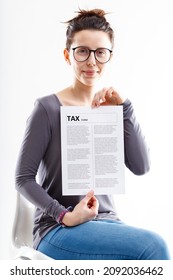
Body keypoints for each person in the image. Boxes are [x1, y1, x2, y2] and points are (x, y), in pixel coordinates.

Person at [15, 8, 170, 260]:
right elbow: (23, 178)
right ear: (68, 55)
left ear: (110, 56)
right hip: (57, 228)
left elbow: (141, 167)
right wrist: (64, 215)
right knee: (154, 247)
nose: (91, 61)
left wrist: (125, 109)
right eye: (82, 51)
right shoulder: (47, 108)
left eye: (100, 53)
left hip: (107, 223)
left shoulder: (113, 110)